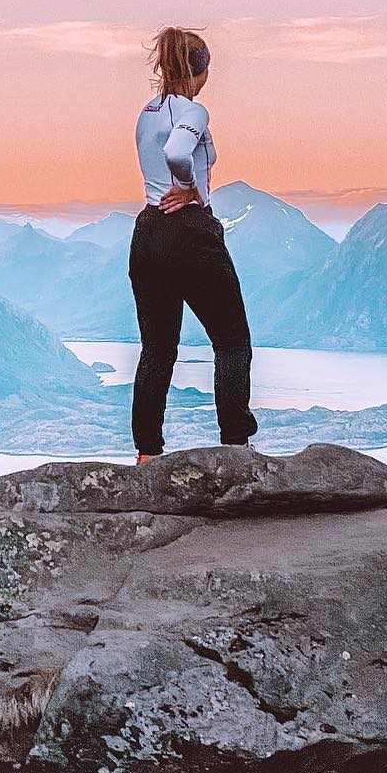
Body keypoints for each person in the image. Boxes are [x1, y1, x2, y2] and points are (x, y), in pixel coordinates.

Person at [130, 26, 257, 463]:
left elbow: (161, 154)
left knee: (158, 348)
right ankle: (236, 446)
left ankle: (147, 453)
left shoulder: (146, 112)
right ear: (199, 70)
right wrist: (193, 191)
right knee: (231, 340)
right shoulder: (194, 111)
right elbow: (179, 152)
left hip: (147, 232)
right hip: (190, 232)